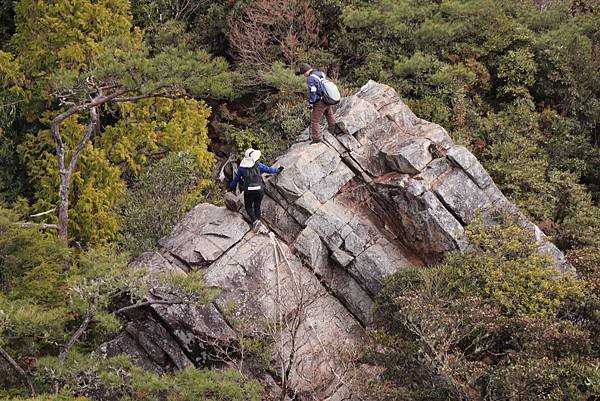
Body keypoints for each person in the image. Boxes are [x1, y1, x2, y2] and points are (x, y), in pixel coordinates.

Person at [229, 148, 284, 232]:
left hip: (249, 191)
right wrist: (278, 170)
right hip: (259, 190)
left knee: (248, 207)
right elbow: (269, 170)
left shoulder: (242, 168)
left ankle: (255, 221)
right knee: (257, 206)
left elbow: (236, 179)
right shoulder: (258, 165)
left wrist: (231, 186)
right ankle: (258, 222)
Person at [298, 62, 336, 144]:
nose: (304, 75)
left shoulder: (310, 78)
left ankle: (316, 138)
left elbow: (313, 91)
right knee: (329, 113)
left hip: (319, 101)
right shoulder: (320, 73)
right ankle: (333, 129)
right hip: (327, 97)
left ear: (306, 71)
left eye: (303, 73)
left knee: (315, 120)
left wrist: (311, 104)